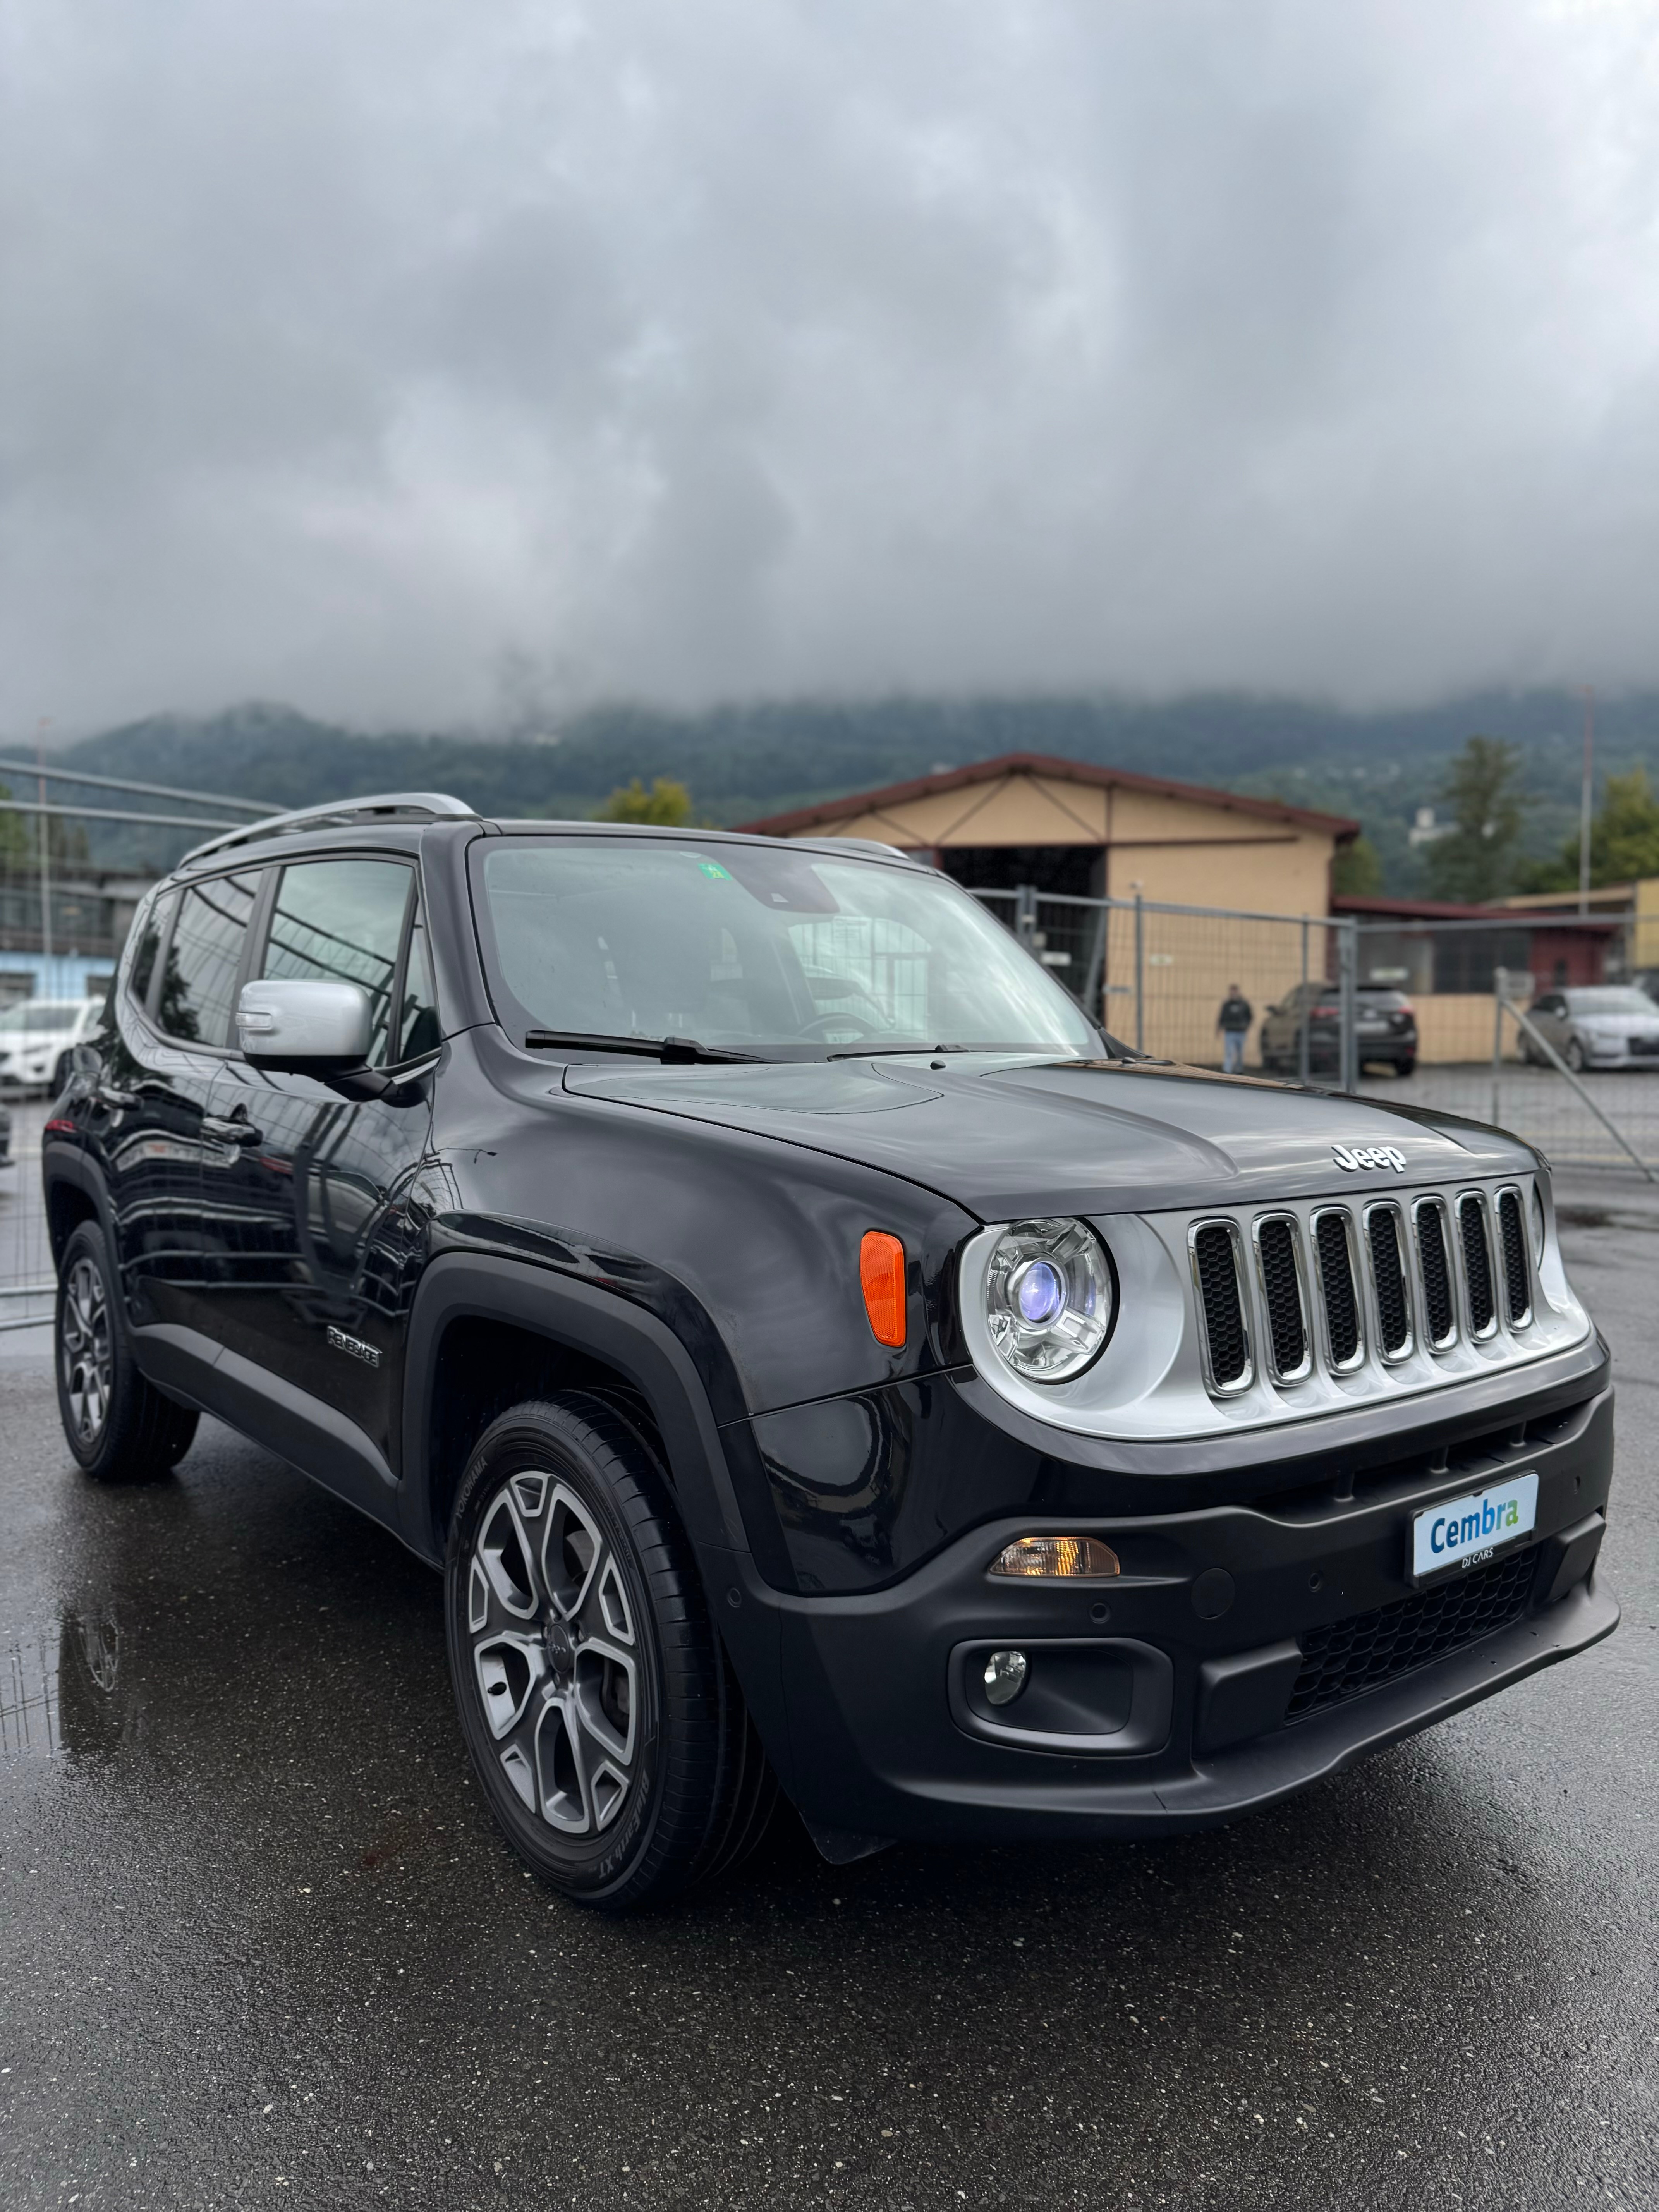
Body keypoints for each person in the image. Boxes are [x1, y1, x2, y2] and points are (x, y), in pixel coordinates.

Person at [1217, 982, 1252, 1074]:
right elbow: (1222, 1017)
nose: (1233, 994)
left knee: (1240, 1053)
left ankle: (1239, 1070)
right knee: (1229, 1052)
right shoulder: (1227, 1005)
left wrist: (1246, 1026)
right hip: (1230, 1032)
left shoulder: (1244, 1004)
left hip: (1241, 1032)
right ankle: (1227, 1070)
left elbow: (1250, 1016)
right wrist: (1219, 1029)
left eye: (1235, 991)